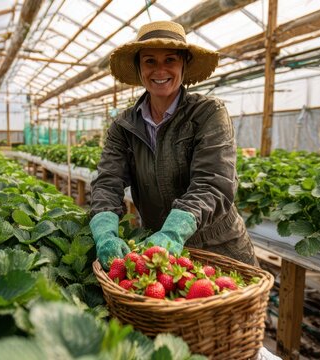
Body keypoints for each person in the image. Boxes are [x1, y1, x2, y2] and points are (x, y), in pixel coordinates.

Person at [89, 21, 258, 269]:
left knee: (232, 308)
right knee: (168, 308)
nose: (160, 70)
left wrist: (173, 233)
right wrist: (105, 232)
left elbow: (213, 182)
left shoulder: (208, 113)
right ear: (138, 67)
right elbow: (107, 182)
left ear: (184, 64)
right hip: (155, 251)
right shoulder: (123, 126)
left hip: (218, 247)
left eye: (170, 60)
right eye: (149, 61)